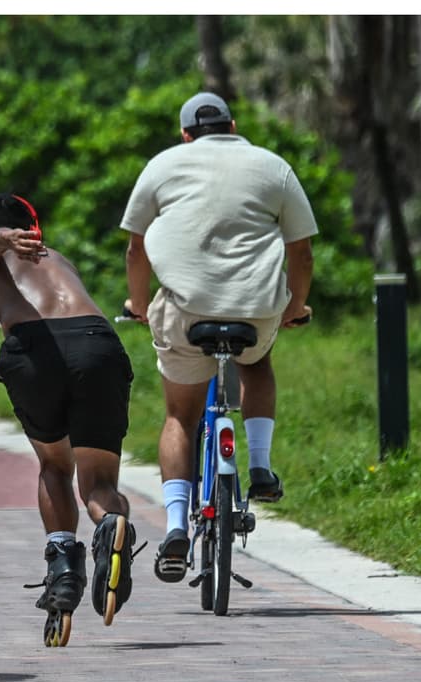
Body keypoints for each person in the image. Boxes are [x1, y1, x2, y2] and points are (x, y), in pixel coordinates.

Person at [121, 91, 316, 584]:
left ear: (186, 134)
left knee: (180, 417)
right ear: (233, 125)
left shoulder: (163, 165)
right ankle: (262, 468)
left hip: (186, 314)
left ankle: (173, 527)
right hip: (257, 311)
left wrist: (139, 306)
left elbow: (135, 250)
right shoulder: (273, 166)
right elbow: (302, 252)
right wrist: (295, 307)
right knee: (256, 362)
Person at [0, 193, 138, 637]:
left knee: (54, 466)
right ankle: (110, 524)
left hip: (36, 347)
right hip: (97, 342)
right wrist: (8, 238)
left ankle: (63, 570)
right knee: (101, 484)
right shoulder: (55, 255)